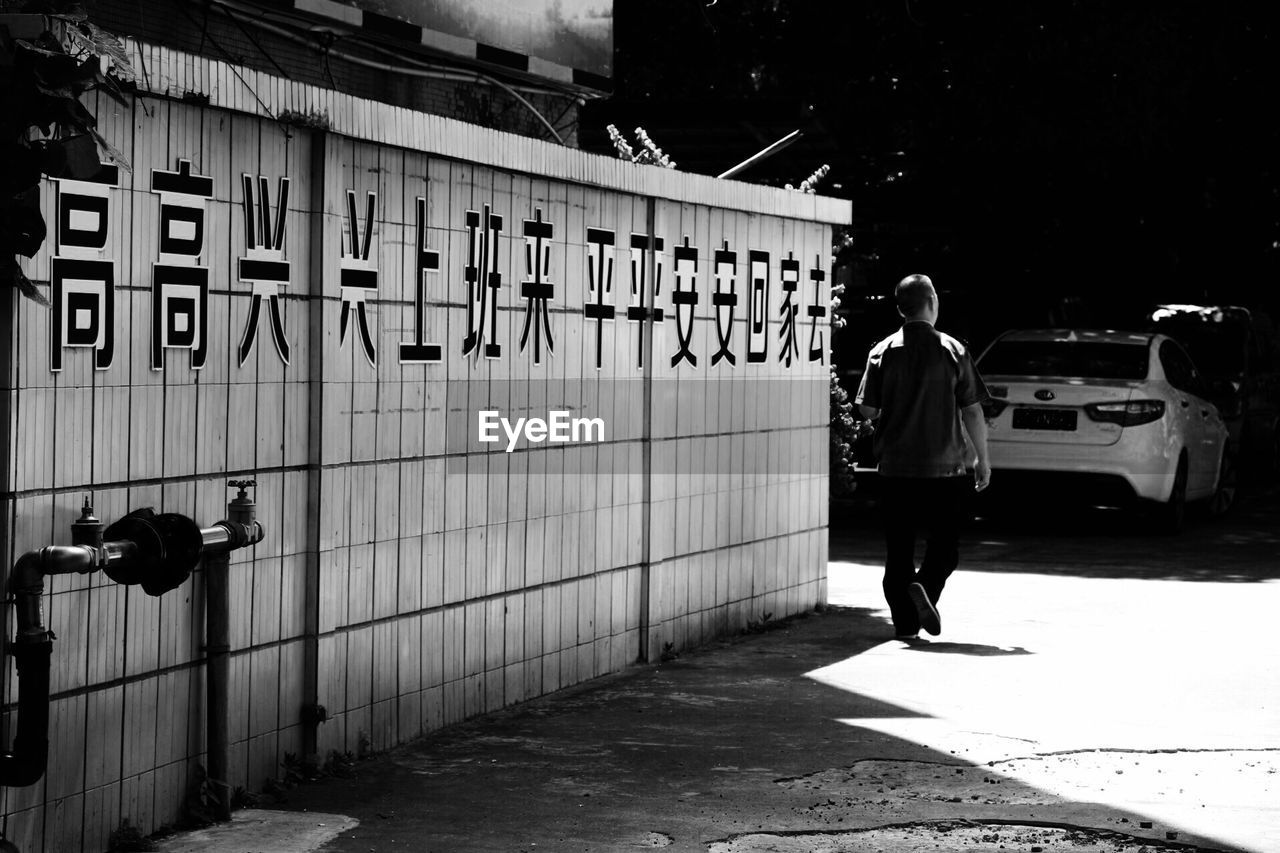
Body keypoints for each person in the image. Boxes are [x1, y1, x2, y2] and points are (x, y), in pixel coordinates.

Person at [854, 274, 991, 640]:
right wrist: (982, 459)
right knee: (944, 548)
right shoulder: (952, 349)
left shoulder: (882, 351)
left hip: (895, 467)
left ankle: (905, 625)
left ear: (901, 308)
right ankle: (926, 589)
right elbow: (973, 411)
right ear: (931, 300)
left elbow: (866, 410)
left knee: (898, 550)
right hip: (945, 468)